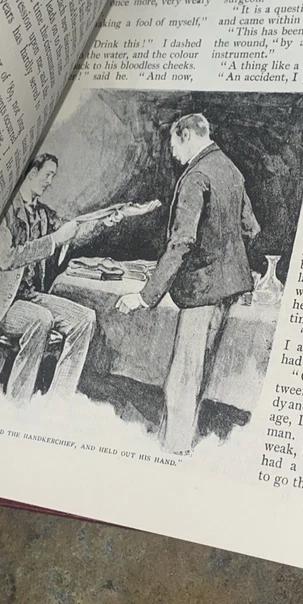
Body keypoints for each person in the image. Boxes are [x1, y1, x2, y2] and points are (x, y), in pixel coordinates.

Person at [116, 114, 260, 453]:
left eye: (173, 143)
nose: (172, 151)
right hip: (227, 291)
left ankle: (173, 452)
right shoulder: (231, 170)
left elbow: (181, 243)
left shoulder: (196, 177)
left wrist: (145, 296)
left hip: (202, 293)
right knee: (197, 378)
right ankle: (179, 446)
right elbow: (251, 229)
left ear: (186, 136)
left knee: (182, 381)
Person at [0, 153, 120, 402]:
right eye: (47, 175)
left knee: (85, 319)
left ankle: (59, 401)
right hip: (0, 305)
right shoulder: (3, 210)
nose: (50, 182)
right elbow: (7, 258)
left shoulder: (42, 214)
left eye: (53, 176)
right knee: (42, 319)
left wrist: (102, 224)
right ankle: (18, 401)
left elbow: (70, 236)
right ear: (31, 173)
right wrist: (53, 240)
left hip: (29, 296)